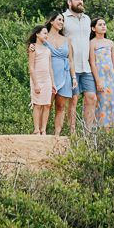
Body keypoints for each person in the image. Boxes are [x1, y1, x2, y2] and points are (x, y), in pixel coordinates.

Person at [62, 0, 102, 131]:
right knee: (73, 100)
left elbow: (92, 39)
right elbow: (51, 35)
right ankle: (72, 130)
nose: (80, 1)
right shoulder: (63, 18)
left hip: (87, 67)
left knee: (92, 98)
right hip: (71, 67)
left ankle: (88, 131)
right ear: (69, 2)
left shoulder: (87, 19)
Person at [43, 10, 77, 138]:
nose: (61, 22)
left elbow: (71, 60)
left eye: (63, 20)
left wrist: (73, 77)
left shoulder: (66, 39)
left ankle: (57, 134)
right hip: (49, 74)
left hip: (64, 73)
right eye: (59, 19)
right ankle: (43, 132)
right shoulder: (44, 38)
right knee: (47, 104)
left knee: (61, 106)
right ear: (51, 21)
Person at [89, 18, 114, 137]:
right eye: (100, 25)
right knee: (103, 105)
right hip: (100, 78)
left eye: (104, 24)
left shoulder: (110, 43)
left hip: (111, 78)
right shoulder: (92, 43)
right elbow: (92, 63)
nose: (103, 26)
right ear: (93, 28)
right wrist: (98, 81)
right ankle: (106, 134)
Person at [26, 24, 56, 135]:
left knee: (47, 104)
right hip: (37, 79)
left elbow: (50, 67)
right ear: (37, 34)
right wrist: (35, 84)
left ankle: (44, 129)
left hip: (47, 79)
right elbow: (31, 67)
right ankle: (36, 129)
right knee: (37, 104)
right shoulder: (33, 48)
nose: (46, 35)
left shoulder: (48, 50)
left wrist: (53, 83)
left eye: (47, 33)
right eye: (44, 33)